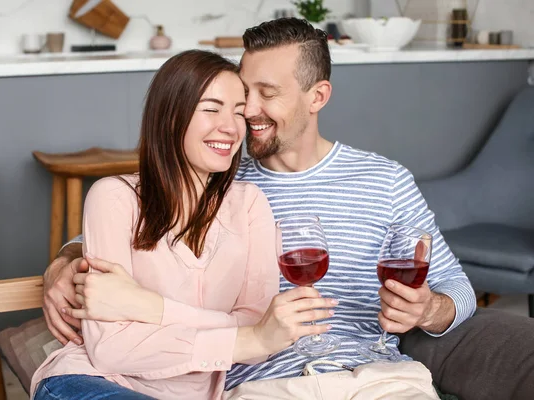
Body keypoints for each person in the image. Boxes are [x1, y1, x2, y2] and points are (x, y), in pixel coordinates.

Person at [42, 19, 476, 398]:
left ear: (317, 96)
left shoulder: (385, 181)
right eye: (241, 94)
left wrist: (430, 310)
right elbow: (142, 223)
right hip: (265, 381)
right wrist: (65, 260)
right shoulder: (222, 177)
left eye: (265, 94)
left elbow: (455, 285)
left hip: (377, 376)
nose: (245, 113)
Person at [30, 49, 335, 400]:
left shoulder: (250, 204)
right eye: (211, 108)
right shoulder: (113, 197)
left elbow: (260, 333)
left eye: (239, 112)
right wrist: (245, 338)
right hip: (93, 381)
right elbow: (110, 349)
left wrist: (146, 307)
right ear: (171, 116)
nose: (231, 126)